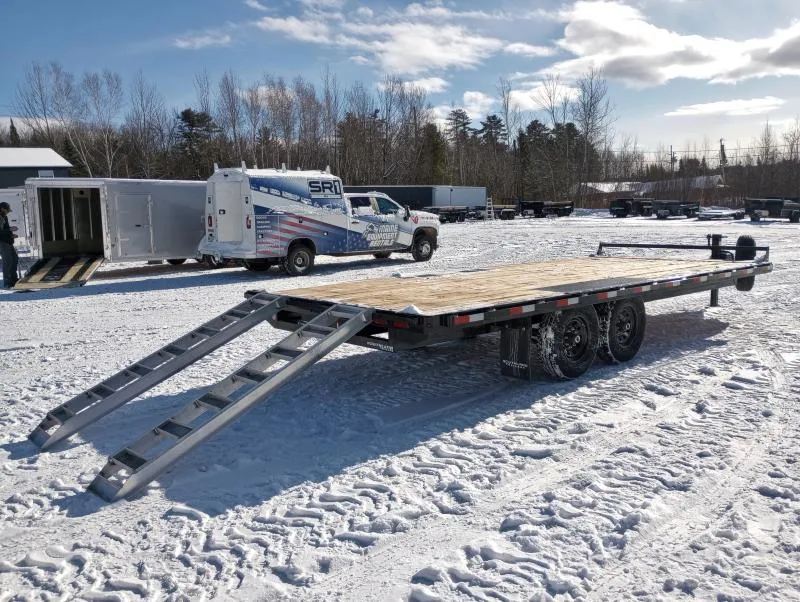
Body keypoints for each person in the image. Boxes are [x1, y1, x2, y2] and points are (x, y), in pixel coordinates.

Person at [0, 201, 19, 289]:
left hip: (8, 241)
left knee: (14, 259)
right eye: (7, 210)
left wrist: (11, 234)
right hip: (2, 242)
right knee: (7, 261)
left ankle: (14, 278)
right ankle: (7, 281)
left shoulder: (5, 217)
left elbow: (6, 229)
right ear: (3, 209)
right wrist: (10, 230)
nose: (8, 212)